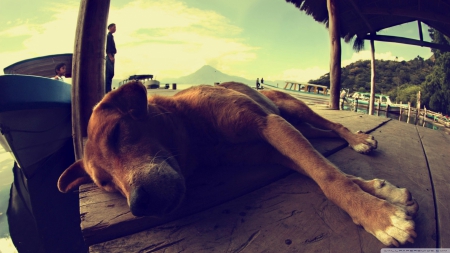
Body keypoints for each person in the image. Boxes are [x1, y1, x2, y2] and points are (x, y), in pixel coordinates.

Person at [105, 23, 117, 93]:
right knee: (109, 74)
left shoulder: (111, 36)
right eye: (114, 27)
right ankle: (107, 91)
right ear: (110, 28)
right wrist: (110, 57)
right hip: (110, 56)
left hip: (112, 56)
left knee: (111, 74)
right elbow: (108, 48)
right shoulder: (109, 36)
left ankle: (108, 90)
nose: (115, 29)